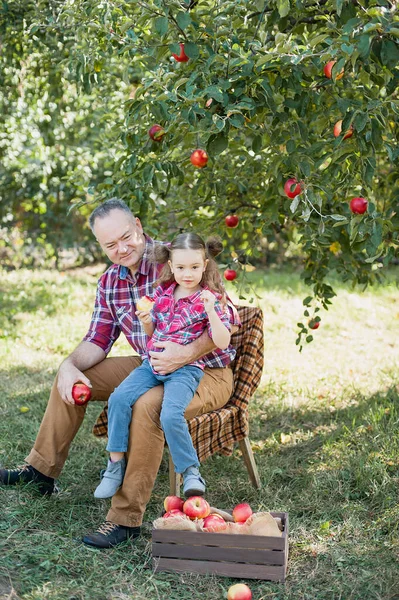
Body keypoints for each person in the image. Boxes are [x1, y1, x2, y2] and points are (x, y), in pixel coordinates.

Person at [0, 198, 240, 549]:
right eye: (110, 244)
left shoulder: (177, 259)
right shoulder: (110, 282)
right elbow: (98, 339)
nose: (121, 248)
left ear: (139, 226)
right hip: (152, 363)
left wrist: (183, 353)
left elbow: (227, 318)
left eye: (126, 237)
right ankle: (40, 473)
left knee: (148, 407)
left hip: (205, 370)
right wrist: (68, 365)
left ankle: (125, 519)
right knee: (74, 375)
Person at [94, 233, 234, 500]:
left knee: (170, 415)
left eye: (194, 267)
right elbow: (153, 332)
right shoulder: (163, 293)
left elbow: (222, 340)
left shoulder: (211, 297)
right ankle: (114, 466)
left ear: (205, 265)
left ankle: (191, 471)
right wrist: (146, 320)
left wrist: (212, 312)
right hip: (152, 364)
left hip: (186, 369)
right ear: (170, 266)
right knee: (119, 399)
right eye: (180, 267)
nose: (188, 273)